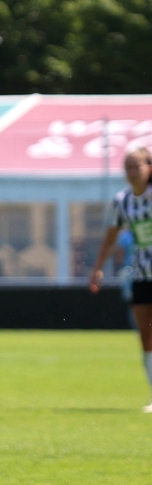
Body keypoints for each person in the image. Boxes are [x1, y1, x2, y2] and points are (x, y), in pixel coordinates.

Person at [89, 147, 152, 412]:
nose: (132, 172)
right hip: (142, 274)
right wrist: (98, 268)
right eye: (128, 167)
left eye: (137, 166)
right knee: (146, 337)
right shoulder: (122, 200)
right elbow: (111, 235)